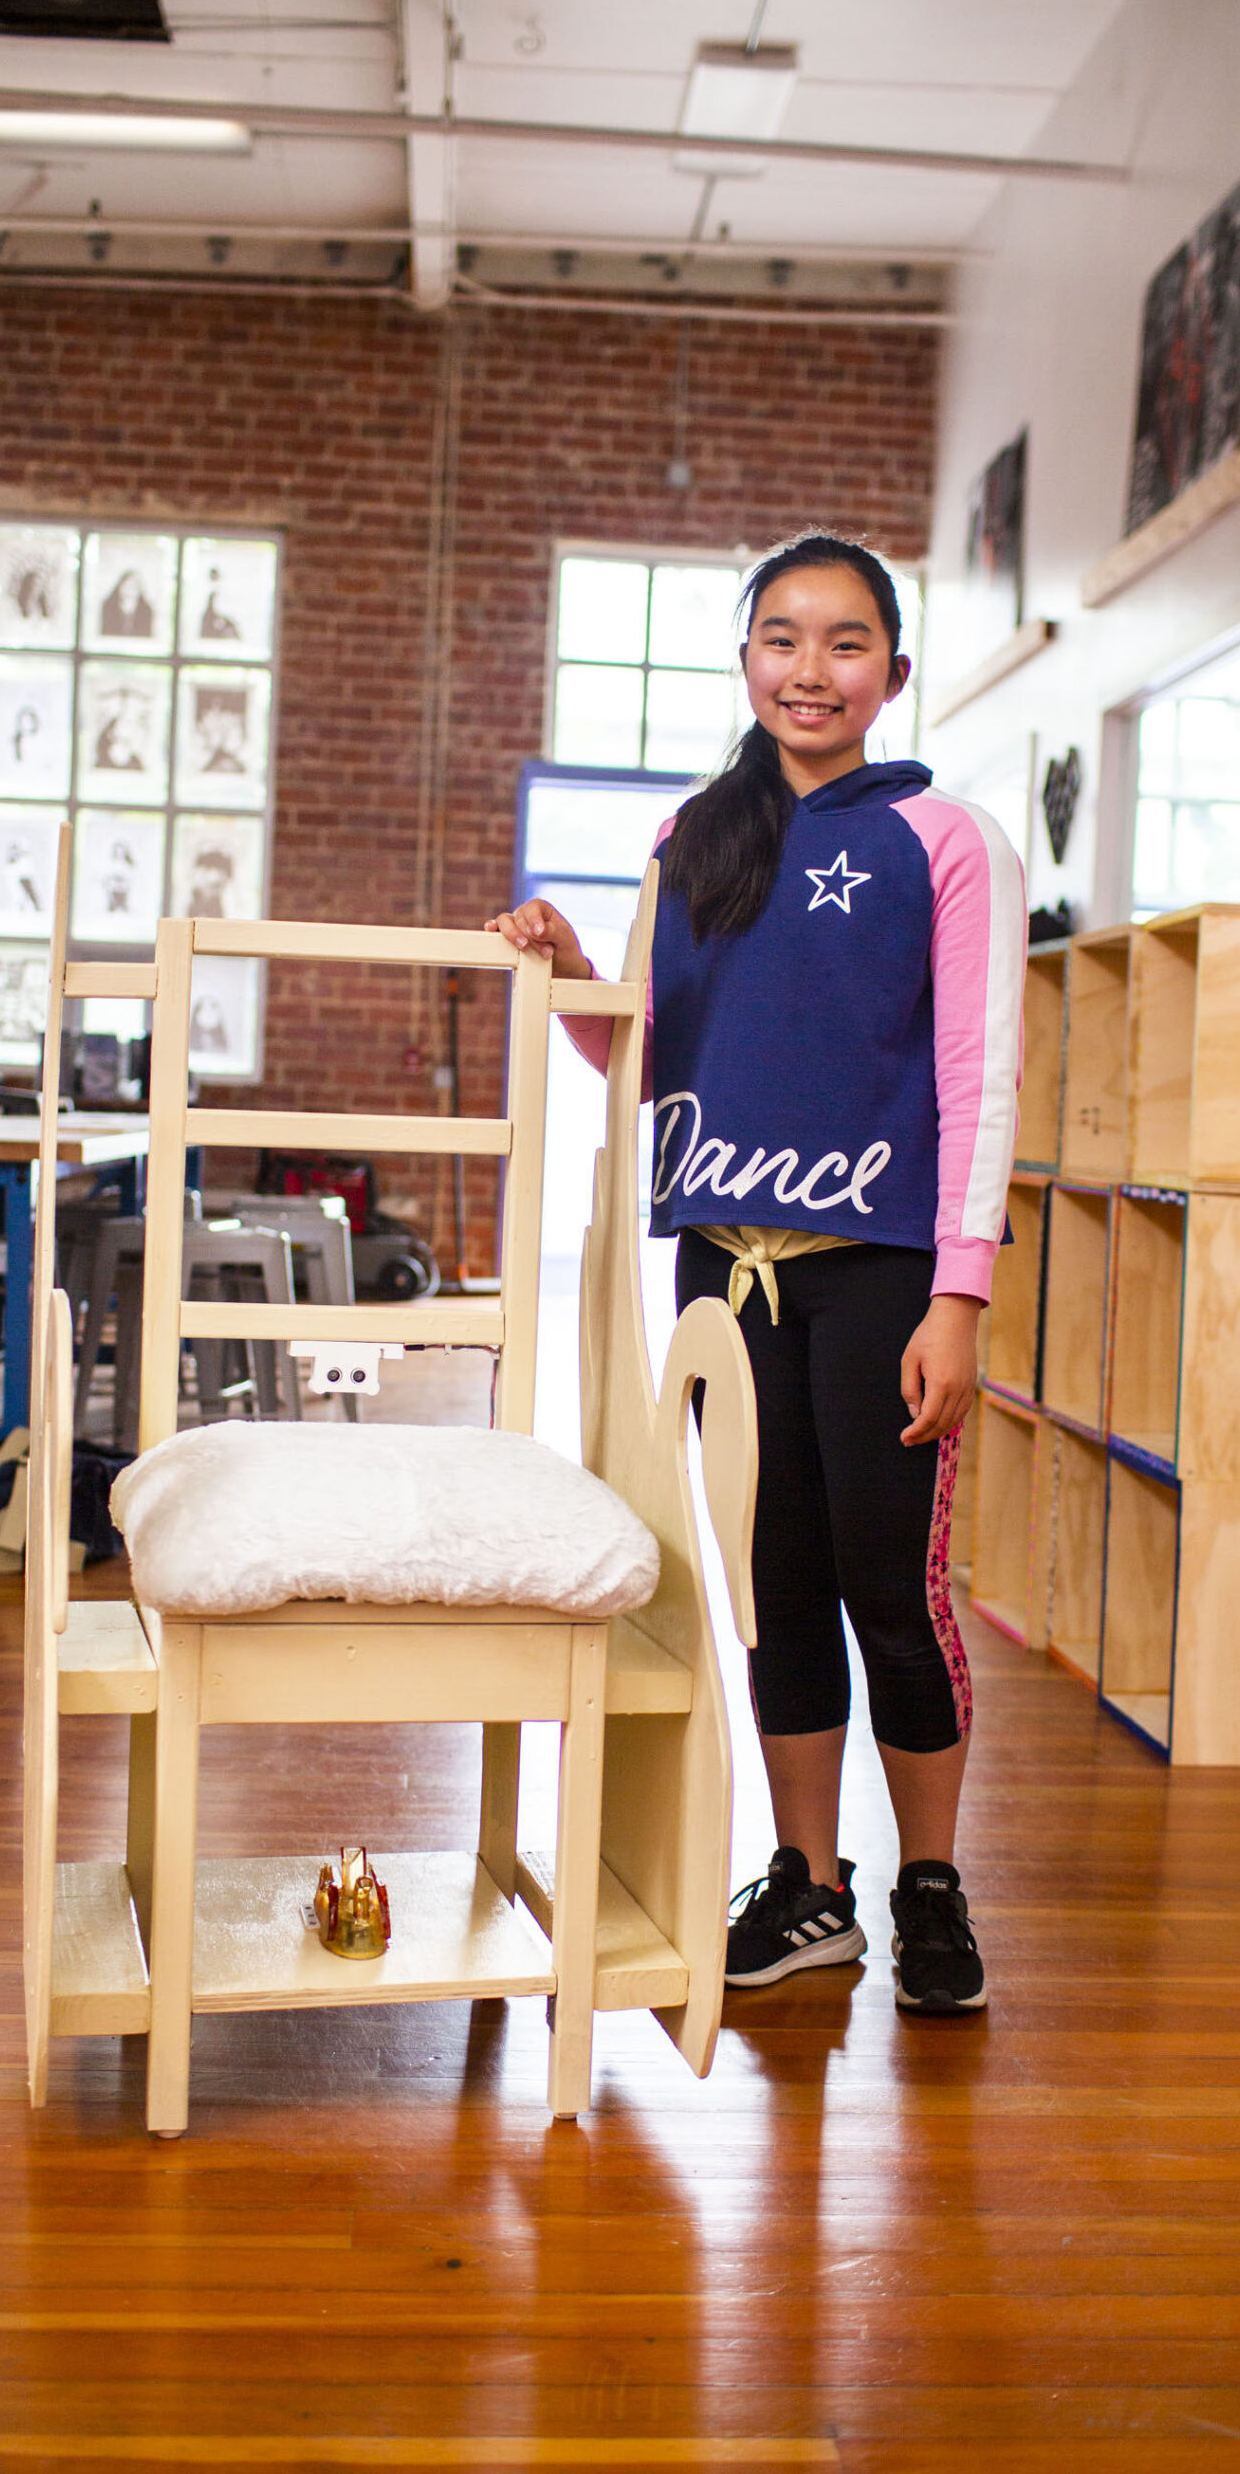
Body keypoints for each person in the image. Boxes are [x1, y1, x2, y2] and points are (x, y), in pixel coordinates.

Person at [486, 532, 1024, 2016]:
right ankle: (811, 1887)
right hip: (724, 1270)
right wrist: (572, 975)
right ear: (744, 662)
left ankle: (928, 1884)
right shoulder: (694, 838)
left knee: (888, 1588)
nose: (810, 669)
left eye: (845, 643)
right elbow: (661, 1053)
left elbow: (980, 1074)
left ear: (893, 672)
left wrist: (960, 1294)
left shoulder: (947, 840)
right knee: (773, 1587)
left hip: (881, 1273)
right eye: (781, 638)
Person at [100, 568, 154, 640]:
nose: (130, 591)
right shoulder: (108, 608)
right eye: (126, 586)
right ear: (119, 588)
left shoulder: (146, 611)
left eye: (133, 587)